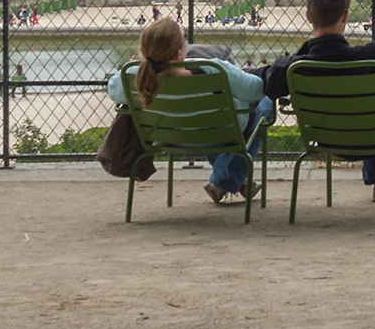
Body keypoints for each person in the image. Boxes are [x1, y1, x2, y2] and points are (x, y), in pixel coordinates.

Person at [261, 0, 375, 205]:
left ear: (308, 16)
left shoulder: (291, 68)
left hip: (326, 140)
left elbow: (260, 84)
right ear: (346, 16)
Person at [111, 17, 273, 203]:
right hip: (219, 135)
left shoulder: (132, 75)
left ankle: (232, 179)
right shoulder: (215, 69)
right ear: (180, 52)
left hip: (168, 139)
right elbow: (256, 90)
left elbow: (113, 91)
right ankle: (224, 180)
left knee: (210, 122)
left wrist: (137, 64)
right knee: (265, 104)